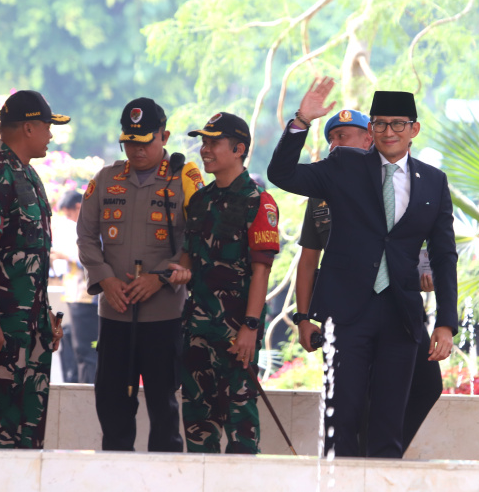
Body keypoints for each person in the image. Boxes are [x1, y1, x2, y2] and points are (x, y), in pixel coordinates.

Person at [268, 78, 458, 458]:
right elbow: (282, 175)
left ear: (413, 130)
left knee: (388, 424)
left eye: (398, 124)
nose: (389, 132)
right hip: (348, 313)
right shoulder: (344, 165)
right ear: (371, 129)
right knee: (343, 417)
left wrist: (446, 322)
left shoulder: (433, 182)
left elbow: (443, 255)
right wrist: (301, 121)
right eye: (381, 123)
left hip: (401, 315)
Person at [77, 97, 204, 452]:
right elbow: (86, 237)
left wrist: (160, 277)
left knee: (163, 408)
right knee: (112, 404)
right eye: (130, 141)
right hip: (115, 312)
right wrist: (105, 279)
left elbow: (196, 239)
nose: (136, 149)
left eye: (145, 141)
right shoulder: (105, 179)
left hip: (163, 315)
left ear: (164, 136)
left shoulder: (184, 178)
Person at [167, 112, 279, 454]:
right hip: (197, 330)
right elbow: (189, 254)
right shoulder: (200, 201)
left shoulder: (259, 201)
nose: (205, 149)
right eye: (204, 142)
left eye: (214, 142)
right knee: (198, 428)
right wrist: (179, 270)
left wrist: (249, 327)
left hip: (236, 335)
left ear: (238, 148)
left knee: (241, 427)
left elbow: (261, 271)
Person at [0, 90, 67, 448]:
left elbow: (31, 257)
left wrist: (46, 316)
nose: (51, 135)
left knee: (29, 437)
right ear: (28, 127)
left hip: (32, 330)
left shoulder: (28, 176)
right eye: (47, 126)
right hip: (3, 331)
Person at [52, 190, 98, 383]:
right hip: (77, 294)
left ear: (78, 207)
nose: (70, 220)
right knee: (81, 348)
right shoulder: (83, 225)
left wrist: (65, 255)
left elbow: (91, 259)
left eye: (70, 215)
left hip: (86, 295)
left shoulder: (93, 225)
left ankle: (87, 387)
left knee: (86, 349)